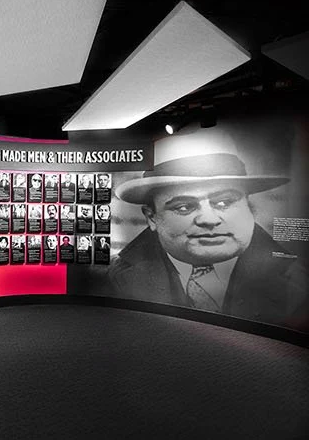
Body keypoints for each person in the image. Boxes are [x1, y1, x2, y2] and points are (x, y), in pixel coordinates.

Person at [92, 132, 307, 328]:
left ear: (248, 205)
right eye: (184, 207)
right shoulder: (107, 281)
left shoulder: (300, 283)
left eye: (224, 202)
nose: (209, 219)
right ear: (151, 217)